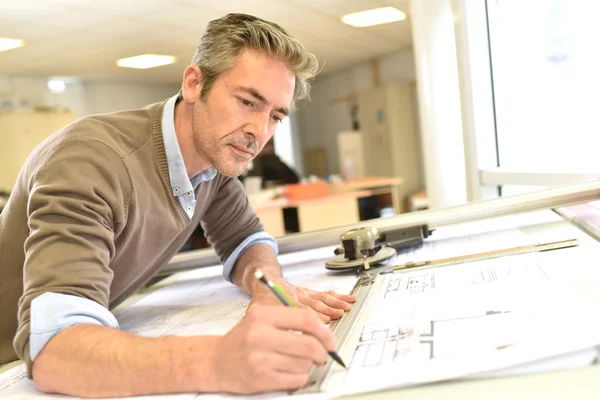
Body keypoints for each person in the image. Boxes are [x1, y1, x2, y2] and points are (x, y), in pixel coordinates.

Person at [0, 13, 356, 397]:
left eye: (275, 115)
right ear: (193, 83)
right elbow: (55, 351)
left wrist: (267, 284)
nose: (260, 131)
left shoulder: (216, 156)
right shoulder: (90, 162)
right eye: (247, 101)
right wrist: (217, 362)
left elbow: (245, 238)